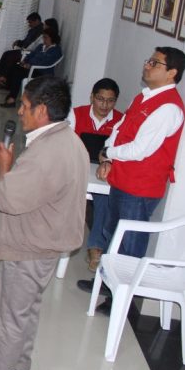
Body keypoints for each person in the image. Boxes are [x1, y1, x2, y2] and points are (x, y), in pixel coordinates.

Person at [0, 76, 88, 370]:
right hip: (49, 241)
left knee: (7, 313)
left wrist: (5, 166)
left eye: (26, 106)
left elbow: (6, 200)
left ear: (42, 110)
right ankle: (20, 361)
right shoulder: (68, 139)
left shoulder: (46, 154)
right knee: (27, 306)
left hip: (30, 244)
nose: (19, 111)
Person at [76, 48, 185, 313]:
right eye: (148, 60)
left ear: (172, 72)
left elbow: (140, 149)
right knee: (112, 235)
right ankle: (106, 281)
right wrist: (108, 159)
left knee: (130, 243)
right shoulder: (144, 97)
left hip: (140, 187)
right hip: (121, 179)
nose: (147, 65)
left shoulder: (169, 108)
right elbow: (119, 130)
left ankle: (123, 299)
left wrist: (108, 153)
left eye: (154, 63)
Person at [66, 78, 123, 272]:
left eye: (110, 101)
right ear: (92, 97)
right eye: (100, 99)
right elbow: (66, 144)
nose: (105, 105)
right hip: (76, 168)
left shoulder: (121, 121)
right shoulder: (76, 114)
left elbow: (118, 150)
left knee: (104, 198)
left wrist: (108, 162)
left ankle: (96, 247)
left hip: (102, 173)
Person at [0, 28, 63, 108]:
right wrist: (24, 61)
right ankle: (10, 92)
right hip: (32, 68)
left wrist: (30, 65)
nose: (44, 39)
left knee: (18, 72)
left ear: (52, 38)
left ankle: (12, 98)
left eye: (46, 37)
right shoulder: (41, 46)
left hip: (42, 72)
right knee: (15, 67)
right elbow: (31, 55)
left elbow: (46, 62)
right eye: (43, 37)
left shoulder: (56, 50)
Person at [0, 13, 44, 84]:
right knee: (6, 53)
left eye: (30, 22)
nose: (29, 24)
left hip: (28, 52)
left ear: (36, 21)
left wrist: (22, 45)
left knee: (10, 57)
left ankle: (3, 78)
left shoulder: (40, 31)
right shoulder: (33, 30)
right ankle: (1, 76)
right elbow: (25, 42)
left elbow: (31, 45)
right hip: (24, 50)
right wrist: (18, 42)